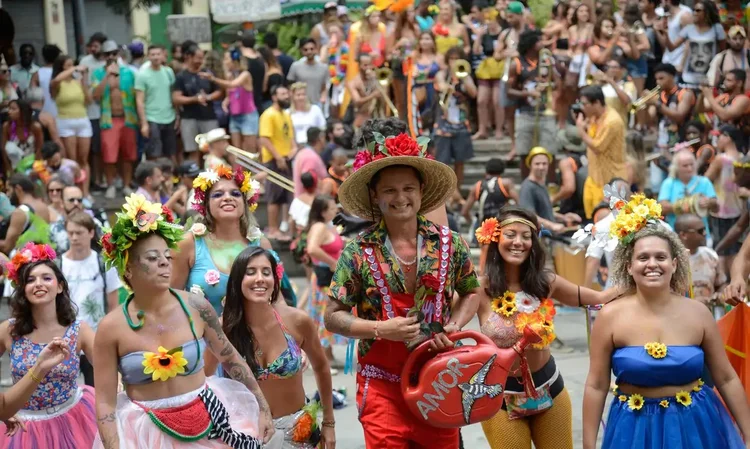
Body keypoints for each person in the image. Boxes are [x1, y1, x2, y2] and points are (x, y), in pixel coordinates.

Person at [325, 126, 480, 448]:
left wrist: (453, 326)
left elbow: (471, 291)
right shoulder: (357, 252)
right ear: (375, 196)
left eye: (408, 188)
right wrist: (381, 328)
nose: (400, 198)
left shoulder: (451, 244)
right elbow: (333, 315)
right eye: (390, 190)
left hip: (437, 380)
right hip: (382, 386)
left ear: (421, 191)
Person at [93, 194, 274, 448]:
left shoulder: (196, 307)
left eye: (166, 256)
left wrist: (262, 407)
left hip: (207, 419)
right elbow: (105, 402)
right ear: (128, 269)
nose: (165, 262)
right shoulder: (111, 328)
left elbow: (231, 358)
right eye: (152, 258)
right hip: (142, 433)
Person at [581, 195, 750, 449]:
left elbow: (725, 378)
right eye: (643, 258)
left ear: (673, 264)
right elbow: (596, 385)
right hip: (633, 429)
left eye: (660, 257)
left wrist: (749, 434)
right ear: (628, 266)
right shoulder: (610, 316)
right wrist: (588, 445)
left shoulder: (698, 313)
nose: (652, 264)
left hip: (695, 427)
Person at [473, 206, 619, 449]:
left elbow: (596, 297)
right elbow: (446, 319)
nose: (518, 242)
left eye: (526, 236)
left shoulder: (545, 282)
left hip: (550, 388)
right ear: (496, 237)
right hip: (498, 396)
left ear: (534, 242)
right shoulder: (479, 289)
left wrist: (638, 276)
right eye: (510, 234)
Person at [171, 166, 296, 374]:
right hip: (204, 354)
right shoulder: (189, 243)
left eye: (235, 193)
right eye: (218, 194)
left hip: (255, 351)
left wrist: (293, 343)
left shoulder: (261, 243)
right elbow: (172, 301)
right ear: (206, 205)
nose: (227, 198)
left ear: (245, 202)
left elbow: (276, 300)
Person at [223, 247, 336, 448]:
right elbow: (204, 380)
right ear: (237, 279)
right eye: (250, 272)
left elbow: (322, 368)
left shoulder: (297, 321)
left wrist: (328, 422)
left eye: (266, 272)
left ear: (275, 280)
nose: (260, 279)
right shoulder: (224, 329)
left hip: (299, 433)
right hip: (245, 436)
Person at [0, 242, 97, 448]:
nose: (38, 284)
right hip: (25, 427)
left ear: (60, 286)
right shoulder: (8, 330)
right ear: (23, 289)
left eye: (46, 278)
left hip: (73, 421)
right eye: (30, 280)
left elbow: (108, 366)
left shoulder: (79, 329)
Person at [58, 211, 121, 386]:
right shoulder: (58, 264)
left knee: (97, 389)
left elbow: (113, 304)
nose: (74, 237)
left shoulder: (103, 263)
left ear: (91, 233)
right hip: (65, 340)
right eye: (70, 233)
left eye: (79, 233)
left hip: (95, 339)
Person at [305, 195, 348, 370]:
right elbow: (312, 249)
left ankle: (328, 355)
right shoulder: (320, 227)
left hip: (329, 279)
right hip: (324, 278)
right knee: (324, 314)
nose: (335, 211)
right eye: (332, 208)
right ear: (323, 212)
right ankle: (323, 358)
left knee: (327, 313)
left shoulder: (328, 226)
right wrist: (332, 262)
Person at [507, 29, 557, 168]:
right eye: (539, 41)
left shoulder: (547, 61)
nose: (543, 43)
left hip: (546, 112)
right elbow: (509, 91)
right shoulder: (516, 64)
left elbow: (558, 84)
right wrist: (528, 93)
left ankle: (551, 186)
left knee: (550, 152)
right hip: (525, 113)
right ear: (531, 44)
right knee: (524, 152)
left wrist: (548, 84)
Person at [576, 85, 627, 219]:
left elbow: (598, 147)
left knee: (609, 223)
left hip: (610, 178)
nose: (582, 107)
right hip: (595, 176)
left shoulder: (612, 121)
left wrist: (581, 132)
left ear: (597, 103)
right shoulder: (594, 116)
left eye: (585, 103)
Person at [434, 47, 477, 196]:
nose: (454, 62)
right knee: (443, 160)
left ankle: (457, 192)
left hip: (461, 122)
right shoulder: (442, 74)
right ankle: (448, 194)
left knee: (460, 160)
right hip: (443, 123)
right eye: (451, 59)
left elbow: (474, 93)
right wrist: (449, 84)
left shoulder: (465, 74)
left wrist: (463, 78)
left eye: (456, 59)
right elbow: (440, 85)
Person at [647, 63, 695, 191]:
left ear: (672, 77)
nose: (658, 82)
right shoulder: (660, 95)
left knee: (678, 185)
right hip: (660, 147)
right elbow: (650, 118)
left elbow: (679, 116)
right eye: (656, 79)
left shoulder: (685, 93)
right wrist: (648, 104)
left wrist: (657, 104)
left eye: (661, 78)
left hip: (679, 146)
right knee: (656, 186)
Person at [50, 54, 92, 198]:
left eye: (72, 65)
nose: (72, 69)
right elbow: (56, 80)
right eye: (67, 65)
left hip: (82, 120)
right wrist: (74, 67)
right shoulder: (57, 83)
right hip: (66, 122)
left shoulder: (78, 82)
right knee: (71, 160)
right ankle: (73, 191)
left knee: (83, 159)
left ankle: (85, 193)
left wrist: (84, 80)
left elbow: (89, 100)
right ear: (61, 67)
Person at [200, 52, 259, 154]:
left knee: (250, 150)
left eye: (226, 59)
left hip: (248, 116)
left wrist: (212, 79)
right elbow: (230, 95)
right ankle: (238, 170)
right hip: (235, 116)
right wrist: (225, 102)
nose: (224, 62)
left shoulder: (245, 75)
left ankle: (252, 170)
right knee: (236, 151)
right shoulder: (229, 75)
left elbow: (232, 85)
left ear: (234, 61)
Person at [658, 0, 724, 88]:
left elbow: (723, 52)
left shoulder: (717, 29)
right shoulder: (689, 29)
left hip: (709, 77)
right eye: (693, 10)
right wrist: (665, 33)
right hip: (689, 78)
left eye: (698, 10)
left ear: (707, 12)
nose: (694, 13)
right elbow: (671, 48)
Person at [173, 43, 221, 163]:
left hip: (209, 117)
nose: (201, 61)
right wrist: (195, 99)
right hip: (189, 119)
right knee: (192, 150)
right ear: (188, 57)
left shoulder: (208, 74)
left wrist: (208, 97)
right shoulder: (181, 77)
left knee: (212, 150)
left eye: (202, 58)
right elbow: (176, 98)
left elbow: (219, 92)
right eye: (198, 58)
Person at [259, 85, 296, 241]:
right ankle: (272, 229)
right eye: (282, 93)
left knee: (286, 195)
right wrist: (278, 157)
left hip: (287, 158)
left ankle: (284, 227)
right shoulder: (268, 115)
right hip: (274, 159)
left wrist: (293, 150)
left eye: (287, 93)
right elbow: (264, 139)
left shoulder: (286, 115)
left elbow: (291, 137)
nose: (286, 96)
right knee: (274, 196)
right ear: (274, 97)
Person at [519, 147, 579, 232]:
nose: (541, 167)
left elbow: (545, 211)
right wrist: (552, 225)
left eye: (544, 164)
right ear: (530, 165)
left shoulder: (542, 184)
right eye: (537, 164)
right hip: (540, 237)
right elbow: (529, 215)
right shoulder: (528, 187)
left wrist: (564, 217)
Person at [135, 44, 178, 163]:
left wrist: (177, 115)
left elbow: (173, 94)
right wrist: (144, 123)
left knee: (171, 152)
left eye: (158, 54)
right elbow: (139, 100)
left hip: (169, 117)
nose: (155, 57)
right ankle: (155, 178)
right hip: (152, 118)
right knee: (154, 154)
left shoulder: (169, 72)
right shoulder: (142, 75)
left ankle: (171, 178)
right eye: (152, 54)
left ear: (163, 55)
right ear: (148, 56)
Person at [657, 149, 718, 230]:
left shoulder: (704, 181)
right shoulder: (669, 183)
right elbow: (661, 208)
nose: (689, 169)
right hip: (675, 232)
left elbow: (716, 207)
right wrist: (689, 205)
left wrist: (709, 202)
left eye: (692, 164)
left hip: (700, 233)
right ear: (677, 167)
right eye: (685, 166)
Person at [675, 213, 726, 307]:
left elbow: (721, 284)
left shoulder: (711, 255)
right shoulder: (673, 261)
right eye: (700, 231)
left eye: (704, 229)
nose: (705, 233)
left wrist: (720, 295)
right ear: (683, 235)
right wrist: (693, 302)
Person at [0, 174, 52, 254]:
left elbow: (7, 247)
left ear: (18, 189)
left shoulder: (19, 212)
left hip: (25, 260)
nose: (7, 194)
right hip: (43, 256)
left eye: (8, 190)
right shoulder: (43, 207)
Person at [462, 158, 518, 231]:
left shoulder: (477, 186)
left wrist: (472, 223)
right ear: (502, 170)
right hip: (503, 225)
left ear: (486, 170)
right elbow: (520, 203)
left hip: (484, 229)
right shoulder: (506, 183)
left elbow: (464, 212)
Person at [551, 126, 587, 221]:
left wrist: (553, 199)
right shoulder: (587, 158)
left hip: (572, 211)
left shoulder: (566, 162)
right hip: (587, 207)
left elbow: (569, 188)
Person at [2, 99, 43, 174]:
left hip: (32, 165)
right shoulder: (7, 126)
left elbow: (39, 149)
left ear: (23, 111)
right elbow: (3, 150)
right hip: (14, 166)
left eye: (13, 109)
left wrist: (35, 168)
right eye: (9, 109)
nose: (9, 111)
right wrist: (9, 169)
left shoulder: (35, 127)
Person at [288, 39, 329, 107]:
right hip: (300, 104)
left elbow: (324, 86)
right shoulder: (296, 66)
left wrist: (323, 97)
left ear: (316, 49)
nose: (309, 52)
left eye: (311, 49)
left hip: (317, 104)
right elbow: (290, 86)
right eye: (306, 50)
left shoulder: (323, 68)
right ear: (301, 51)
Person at [292, 127, 327, 198]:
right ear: (320, 138)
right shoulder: (310, 157)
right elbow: (308, 181)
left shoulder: (304, 153)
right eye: (324, 137)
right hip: (310, 203)